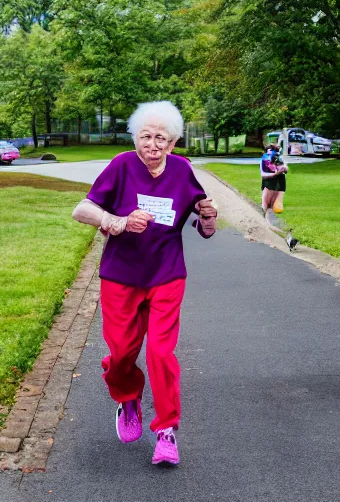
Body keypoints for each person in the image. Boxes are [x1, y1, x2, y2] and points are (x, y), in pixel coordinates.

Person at [72, 101, 217, 466]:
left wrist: (209, 219)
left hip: (167, 274)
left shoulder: (183, 171)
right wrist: (116, 221)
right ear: (135, 138)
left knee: (160, 354)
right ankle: (127, 396)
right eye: (146, 136)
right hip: (121, 275)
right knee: (121, 352)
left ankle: (166, 431)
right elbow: (81, 210)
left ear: (173, 143)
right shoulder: (122, 165)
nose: (153, 145)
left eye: (161, 139)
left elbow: (203, 225)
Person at [260, 144, 288, 214]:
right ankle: (264, 219)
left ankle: (269, 218)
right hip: (268, 184)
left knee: (274, 205)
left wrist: (284, 169)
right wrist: (276, 173)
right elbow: (264, 175)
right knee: (266, 205)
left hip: (279, 184)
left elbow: (285, 169)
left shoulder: (279, 159)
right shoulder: (264, 161)